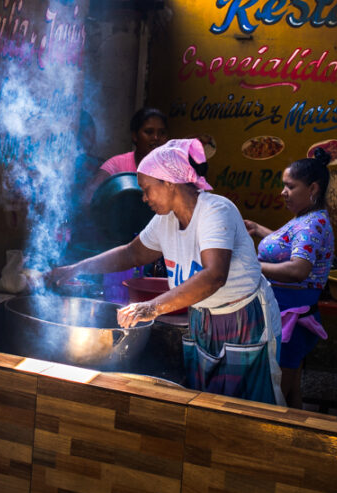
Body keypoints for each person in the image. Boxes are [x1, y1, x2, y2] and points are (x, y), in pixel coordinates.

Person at [49, 138, 284, 405]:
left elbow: (214, 276)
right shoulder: (165, 221)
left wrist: (152, 307)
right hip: (203, 318)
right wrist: (76, 269)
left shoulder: (215, 210)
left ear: (169, 182)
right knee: (208, 401)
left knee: (254, 405)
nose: (144, 198)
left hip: (243, 316)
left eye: (147, 189)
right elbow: (130, 253)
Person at [244, 147, 334, 409]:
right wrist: (260, 229)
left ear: (313, 189)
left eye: (290, 186)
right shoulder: (307, 218)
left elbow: (298, 269)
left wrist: (253, 266)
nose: (283, 192)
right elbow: (294, 247)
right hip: (287, 315)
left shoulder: (311, 223)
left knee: (275, 399)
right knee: (291, 394)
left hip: (290, 320)